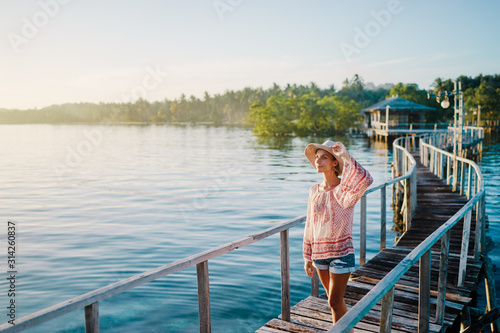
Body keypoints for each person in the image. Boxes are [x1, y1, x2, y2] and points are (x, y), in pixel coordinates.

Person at [303, 140, 373, 326]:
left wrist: (345, 155)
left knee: (334, 301)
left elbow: (366, 180)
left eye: (324, 157)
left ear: (335, 163)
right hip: (319, 254)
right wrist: (307, 256)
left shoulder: (345, 190)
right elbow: (310, 224)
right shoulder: (313, 191)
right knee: (334, 303)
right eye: (317, 157)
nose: (318, 161)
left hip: (341, 253)